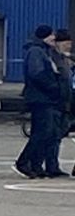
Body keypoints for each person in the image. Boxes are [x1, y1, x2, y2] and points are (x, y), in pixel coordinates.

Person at [15, 25, 65, 179]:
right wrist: (54, 86)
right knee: (42, 132)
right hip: (41, 98)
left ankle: (36, 164)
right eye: (51, 36)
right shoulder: (36, 52)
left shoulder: (44, 51)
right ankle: (23, 161)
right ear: (45, 36)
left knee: (46, 132)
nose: (54, 39)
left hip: (45, 98)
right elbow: (37, 74)